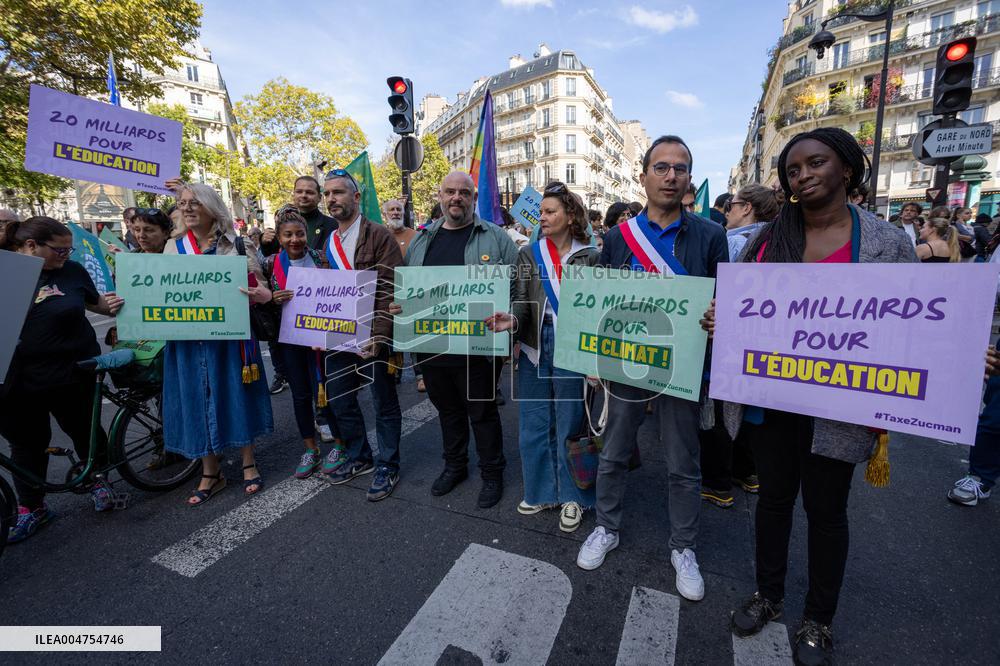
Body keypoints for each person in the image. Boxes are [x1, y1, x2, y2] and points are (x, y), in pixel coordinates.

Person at [707, 127, 916, 666]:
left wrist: (960, 356)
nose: (803, 176)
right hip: (772, 398)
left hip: (838, 408)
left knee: (827, 512)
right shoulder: (766, 238)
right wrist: (719, 318)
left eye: (816, 163)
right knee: (773, 500)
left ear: (846, 167)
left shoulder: (889, 243)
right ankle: (768, 594)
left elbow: (917, 322)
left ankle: (819, 619)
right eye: (793, 170)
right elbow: (738, 304)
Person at [576, 135, 728, 606]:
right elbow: (601, 300)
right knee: (614, 451)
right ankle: (606, 526)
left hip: (681, 365)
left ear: (689, 178)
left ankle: (683, 547)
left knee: (683, 462)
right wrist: (594, 360)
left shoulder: (710, 235)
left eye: (680, 168)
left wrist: (720, 314)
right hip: (626, 364)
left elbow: (728, 300)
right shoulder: (618, 237)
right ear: (643, 176)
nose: (670, 176)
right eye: (661, 167)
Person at [397, 171, 518, 509]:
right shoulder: (422, 239)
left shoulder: (496, 238)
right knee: (448, 411)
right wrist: (400, 304)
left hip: (478, 348)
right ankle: (455, 466)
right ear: (440, 196)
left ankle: (492, 472)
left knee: (482, 412)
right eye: (450, 191)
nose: (456, 198)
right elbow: (409, 288)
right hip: (432, 345)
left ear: (473, 198)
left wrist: (511, 322)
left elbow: (519, 286)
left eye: (464, 192)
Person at [0, 217, 124, 542]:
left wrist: (113, 305)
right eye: (60, 250)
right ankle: (32, 507)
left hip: (72, 372)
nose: (66, 255)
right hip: (19, 380)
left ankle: (98, 480)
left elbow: (96, 303)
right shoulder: (7, 274)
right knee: (26, 445)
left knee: (85, 431)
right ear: (31, 246)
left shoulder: (72, 271)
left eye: (69, 249)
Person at [485, 182, 598, 532]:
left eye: (550, 212)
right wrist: (513, 320)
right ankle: (541, 491)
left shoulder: (592, 255)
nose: (543, 217)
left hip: (573, 344)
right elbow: (521, 298)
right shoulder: (529, 254)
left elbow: (600, 309)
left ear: (570, 216)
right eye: (542, 212)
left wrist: (595, 359)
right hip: (535, 342)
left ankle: (574, 497)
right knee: (534, 421)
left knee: (570, 421)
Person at [160, 184, 274, 505]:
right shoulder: (173, 247)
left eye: (194, 202)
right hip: (188, 339)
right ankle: (210, 471)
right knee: (196, 399)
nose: (187, 208)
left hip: (230, 337)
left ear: (212, 207)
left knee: (238, 394)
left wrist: (260, 294)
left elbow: (261, 286)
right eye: (183, 203)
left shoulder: (237, 244)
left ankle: (248, 462)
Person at [317, 168, 404, 501]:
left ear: (356, 197)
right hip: (339, 334)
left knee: (383, 402)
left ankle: (388, 465)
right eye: (327, 193)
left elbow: (389, 287)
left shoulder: (378, 235)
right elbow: (324, 290)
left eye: (337, 192)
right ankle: (360, 456)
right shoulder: (330, 240)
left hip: (371, 336)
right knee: (340, 400)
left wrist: (379, 336)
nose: (331, 199)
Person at [262, 210, 337, 480]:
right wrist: (272, 297)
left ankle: (339, 444)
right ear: (279, 238)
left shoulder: (321, 258)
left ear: (307, 234)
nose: (295, 239)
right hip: (290, 339)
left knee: (329, 390)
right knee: (301, 395)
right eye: (288, 235)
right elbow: (261, 295)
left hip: (321, 337)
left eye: (299, 234)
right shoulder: (271, 263)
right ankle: (310, 448)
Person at [260, 176, 336, 256]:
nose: (303, 195)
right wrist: (265, 243)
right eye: (299, 192)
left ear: (319, 197)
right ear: (294, 195)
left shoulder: (333, 225)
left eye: (309, 192)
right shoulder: (282, 223)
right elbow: (271, 256)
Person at [723, 184, 781, 262]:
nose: (727, 213)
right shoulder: (777, 239)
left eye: (730, 205)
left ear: (746, 208)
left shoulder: (733, 242)